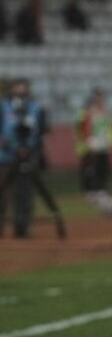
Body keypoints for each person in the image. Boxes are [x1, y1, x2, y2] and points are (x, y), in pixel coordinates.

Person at [0, 79, 65, 239]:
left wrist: (33, 147)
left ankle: (22, 227)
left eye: (23, 88)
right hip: (6, 156)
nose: (20, 91)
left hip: (30, 155)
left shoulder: (36, 108)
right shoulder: (3, 107)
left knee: (25, 193)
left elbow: (43, 130)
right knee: (3, 192)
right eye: (17, 88)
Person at [73, 87, 112, 199]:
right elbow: (82, 128)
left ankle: (102, 189)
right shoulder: (87, 113)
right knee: (91, 168)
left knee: (103, 168)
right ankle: (91, 190)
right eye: (98, 97)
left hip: (104, 144)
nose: (100, 100)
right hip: (92, 144)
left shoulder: (107, 112)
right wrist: (88, 141)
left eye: (101, 97)